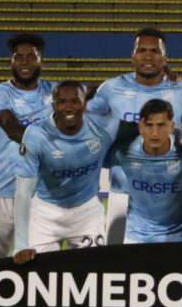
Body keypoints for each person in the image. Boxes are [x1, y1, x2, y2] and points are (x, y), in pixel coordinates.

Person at [90, 27, 182, 245]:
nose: (148, 55)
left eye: (155, 51)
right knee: (119, 264)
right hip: (122, 194)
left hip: (171, 196)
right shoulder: (110, 89)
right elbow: (90, 126)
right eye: (142, 50)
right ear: (133, 55)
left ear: (165, 58)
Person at [13, 81, 118, 261]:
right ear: (54, 105)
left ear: (84, 104)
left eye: (75, 101)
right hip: (45, 214)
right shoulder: (36, 135)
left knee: (93, 274)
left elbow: (142, 129)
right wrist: (21, 245)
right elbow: (23, 193)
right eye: (62, 102)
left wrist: (181, 134)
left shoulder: (105, 127)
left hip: (87, 213)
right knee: (39, 279)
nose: (68, 107)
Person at [0, 32, 56, 261]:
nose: (24, 62)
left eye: (31, 56)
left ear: (41, 60)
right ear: (11, 61)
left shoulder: (58, 92)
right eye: (19, 57)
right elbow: (10, 127)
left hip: (39, 198)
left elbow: (97, 98)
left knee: (41, 272)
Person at [111, 98, 182, 243]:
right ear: (140, 127)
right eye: (149, 125)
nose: (155, 133)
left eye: (161, 125)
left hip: (180, 236)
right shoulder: (123, 152)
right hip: (136, 236)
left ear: (172, 126)